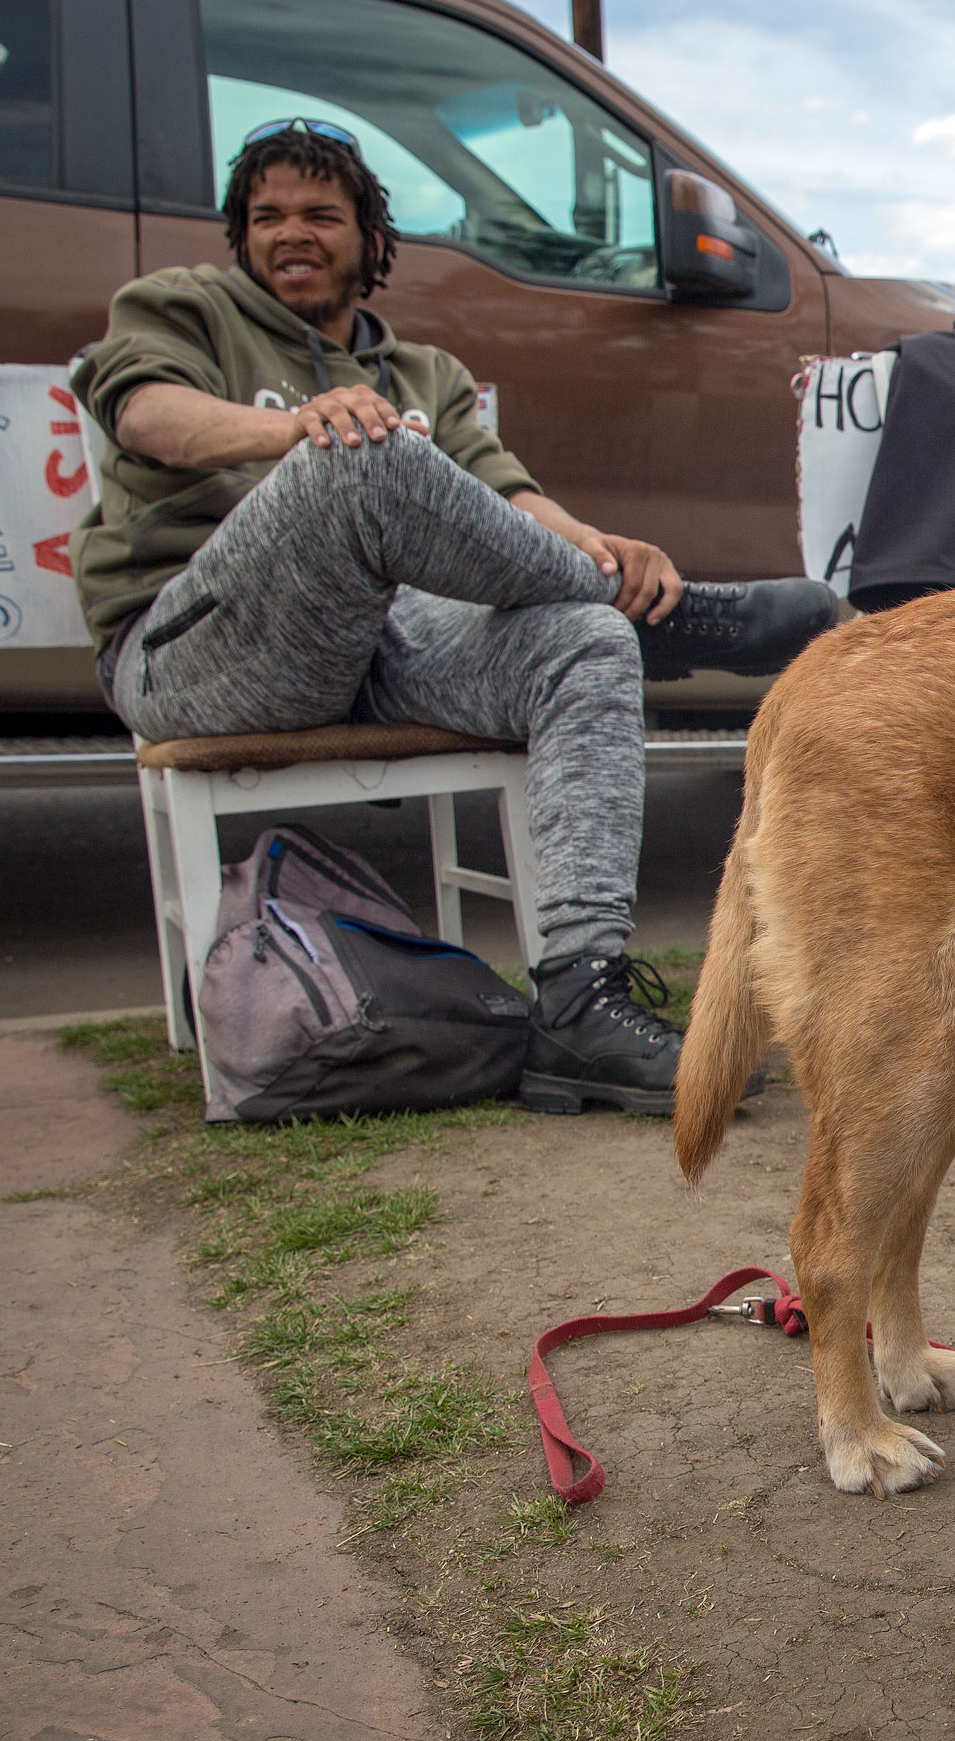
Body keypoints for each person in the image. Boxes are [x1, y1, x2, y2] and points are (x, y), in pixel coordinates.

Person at [71, 120, 840, 1115]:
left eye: (318, 214)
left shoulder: (424, 371)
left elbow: (517, 503)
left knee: (585, 636)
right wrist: (299, 428)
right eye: (266, 217)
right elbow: (146, 416)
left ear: (370, 236)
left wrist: (607, 554)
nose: (290, 233)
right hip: (195, 646)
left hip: (374, 645)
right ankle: (661, 617)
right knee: (368, 452)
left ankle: (578, 1003)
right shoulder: (184, 305)